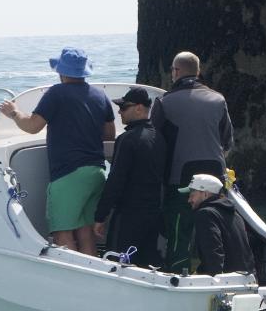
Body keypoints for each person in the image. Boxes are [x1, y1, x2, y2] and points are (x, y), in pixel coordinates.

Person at [0, 46, 115, 255]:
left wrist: (13, 112)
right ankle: (91, 277)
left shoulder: (56, 93)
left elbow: (32, 126)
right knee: (85, 231)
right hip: (96, 172)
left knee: (63, 233)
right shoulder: (99, 95)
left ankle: (72, 279)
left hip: (69, 175)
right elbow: (109, 135)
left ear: (61, 72)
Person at [151, 51, 233, 268]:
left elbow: (153, 146)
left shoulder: (164, 102)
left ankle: (178, 274)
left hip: (181, 182)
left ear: (176, 72)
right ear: (198, 72)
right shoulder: (218, 100)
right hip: (216, 180)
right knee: (216, 230)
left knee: (179, 235)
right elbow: (227, 143)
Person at [94, 86, 166, 267]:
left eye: (124, 107)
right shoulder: (159, 138)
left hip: (129, 214)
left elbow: (116, 181)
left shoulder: (128, 140)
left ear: (139, 108)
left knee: (119, 263)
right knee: (148, 264)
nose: (119, 112)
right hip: (154, 212)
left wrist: (100, 216)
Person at [183, 173, 254, 275]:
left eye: (192, 195)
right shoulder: (235, 215)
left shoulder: (205, 214)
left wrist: (211, 281)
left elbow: (213, 255)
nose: (189, 200)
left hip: (224, 285)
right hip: (247, 279)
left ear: (205, 194)